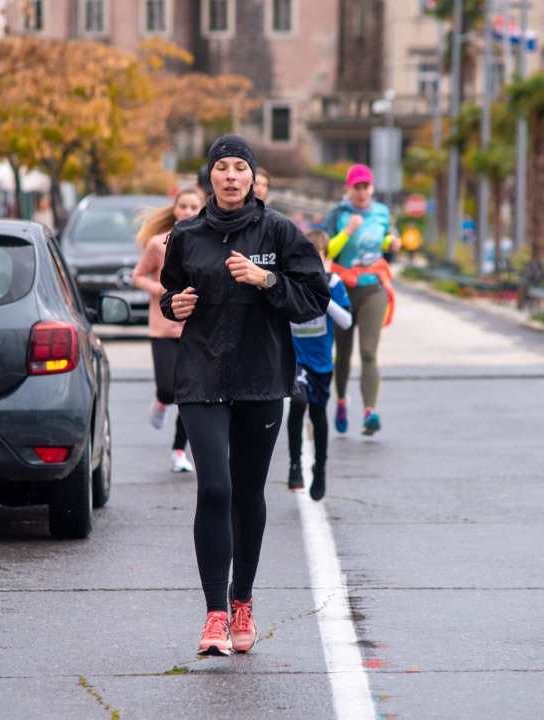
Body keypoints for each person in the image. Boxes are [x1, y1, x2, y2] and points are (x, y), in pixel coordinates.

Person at [160, 134, 329, 657]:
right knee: (214, 488)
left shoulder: (278, 230)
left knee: (248, 493)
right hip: (202, 375)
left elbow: (313, 299)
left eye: (240, 168)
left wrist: (266, 278)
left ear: (253, 177)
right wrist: (175, 306)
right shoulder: (186, 234)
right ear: (208, 176)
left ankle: (242, 601)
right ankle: (213, 614)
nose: (231, 176)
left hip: (260, 376)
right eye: (222, 167)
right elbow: (170, 293)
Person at [132, 186, 206, 473]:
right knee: (168, 388)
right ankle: (161, 400)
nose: (187, 211)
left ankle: (178, 450)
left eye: (193, 207)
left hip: (196, 330)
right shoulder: (157, 244)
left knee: (189, 393)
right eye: (183, 206)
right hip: (163, 328)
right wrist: (161, 290)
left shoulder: (205, 242)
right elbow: (138, 276)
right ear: (175, 209)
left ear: (202, 209)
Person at [324, 164, 398, 437]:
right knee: (343, 355)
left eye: (366, 186)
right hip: (342, 290)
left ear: (372, 188)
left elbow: (383, 241)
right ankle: (342, 402)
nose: (362, 191)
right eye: (357, 186)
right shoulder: (338, 214)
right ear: (349, 189)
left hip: (372, 289)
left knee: (368, 352)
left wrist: (392, 242)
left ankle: (370, 412)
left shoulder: (381, 212)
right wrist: (348, 231)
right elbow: (325, 250)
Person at [287, 229, 352, 501]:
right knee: (298, 401)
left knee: (317, 414)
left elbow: (347, 322)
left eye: (319, 256)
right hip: (295, 359)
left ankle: (320, 468)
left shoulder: (333, 282)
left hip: (322, 364)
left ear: (327, 258)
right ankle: (294, 466)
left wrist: (322, 298)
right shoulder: (291, 280)